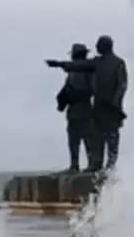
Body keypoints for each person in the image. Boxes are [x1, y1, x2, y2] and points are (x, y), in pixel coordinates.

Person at [46, 34, 128, 171]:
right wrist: (60, 64)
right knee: (97, 138)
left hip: (108, 108)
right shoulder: (96, 63)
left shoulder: (117, 63)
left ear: (104, 46)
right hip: (97, 108)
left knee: (110, 138)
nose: (96, 48)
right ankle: (96, 165)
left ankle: (109, 167)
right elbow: (79, 67)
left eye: (98, 45)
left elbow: (122, 85)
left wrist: (115, 103)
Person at [52, 43, 96, 172]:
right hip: (80, 109)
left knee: (81, 139)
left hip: (81, 109)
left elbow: (89, 90)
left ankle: (83, 164)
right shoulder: (81, 72)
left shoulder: (85, 72)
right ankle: (78, 164)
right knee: (77, 139)